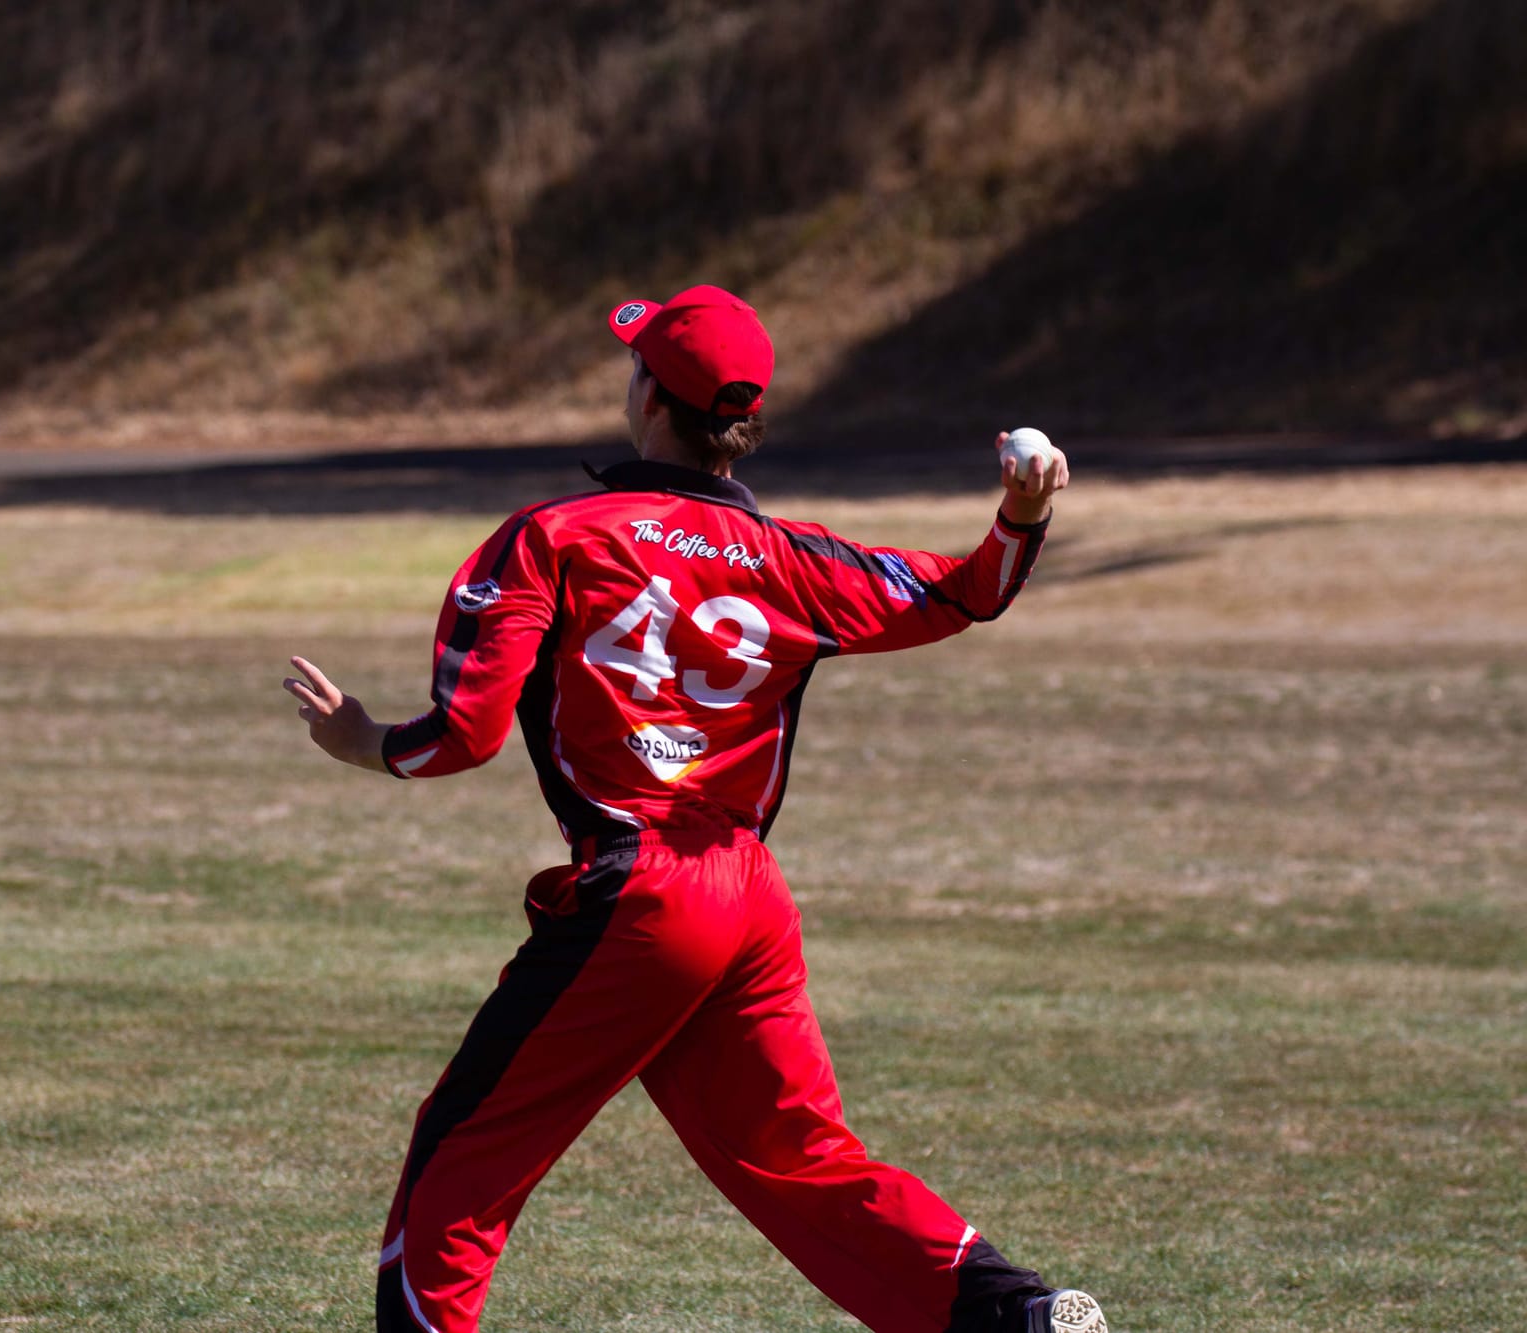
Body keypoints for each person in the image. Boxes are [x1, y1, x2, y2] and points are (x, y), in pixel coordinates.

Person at [283, 285, 1107, 1333]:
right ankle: (1014, 1316)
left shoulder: (553, 537)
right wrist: (1020, 513)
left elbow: (465, 734)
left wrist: (366, 744)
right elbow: (963, 592)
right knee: (799, 1160)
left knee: (459, 1166)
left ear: (650, 400)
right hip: (746, 898)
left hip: (640, 894)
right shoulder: (794, 561)